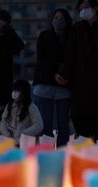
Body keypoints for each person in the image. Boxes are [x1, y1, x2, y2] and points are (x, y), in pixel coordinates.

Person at [58, 0, 98, 140]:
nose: (82, 10)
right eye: (80, 8)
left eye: (85, 7)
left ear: (95, 8)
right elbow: (71, 55)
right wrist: (65, 75)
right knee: (81, 123)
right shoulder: (77, 28)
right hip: (80, 84)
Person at [33, 8, 73, 147]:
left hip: (64, 86)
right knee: (45, 125)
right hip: (45, 84)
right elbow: (41, 60)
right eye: (55, 17)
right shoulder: (44, 36)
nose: (58, 21)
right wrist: (53, 74)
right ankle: (47, 153)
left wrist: (66, 75)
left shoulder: (72, 37)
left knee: (63, 124)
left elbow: (74, 60)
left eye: (61, 18)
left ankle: (62, 152)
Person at [0, 80, 44, 145]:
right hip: (8, 142)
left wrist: (23, 133)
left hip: (23, 143)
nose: (15, 93)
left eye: (18, 90)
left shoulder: (31, 107)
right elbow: (3, 121)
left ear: (24, 93)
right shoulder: (9, 105)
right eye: (14, 90)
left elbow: (39, 125)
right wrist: (6, 134)